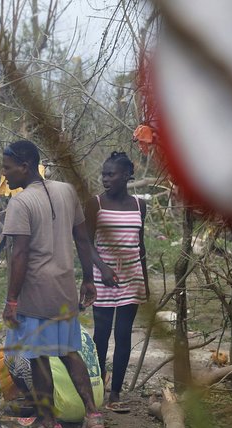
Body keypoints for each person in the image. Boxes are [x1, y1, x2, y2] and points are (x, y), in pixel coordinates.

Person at [0, 140, 106, 428]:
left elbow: (20, 256)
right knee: (69, 351)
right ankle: (93, 415)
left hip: (35, 292)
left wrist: (11, 301)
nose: (5, 176)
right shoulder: (66, 191)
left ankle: (49, 425)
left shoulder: (20, 203)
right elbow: (83, 240)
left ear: (25, 166)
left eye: (8, 168)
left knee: (39, 358)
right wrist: (88, 279)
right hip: (64, 288)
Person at [85, 151, 148, 413]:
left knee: (123, 336)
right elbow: (86, 244)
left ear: (126, 176)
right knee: (101, 336)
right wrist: (101, 269)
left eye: (111, 174)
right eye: (104, 174)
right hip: (103, 279)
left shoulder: (139, 205)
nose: (105, 179)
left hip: (131, 280)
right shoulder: (95, 204)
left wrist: (144, 281)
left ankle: (116, 394)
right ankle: (98, 389)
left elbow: (140, 245)